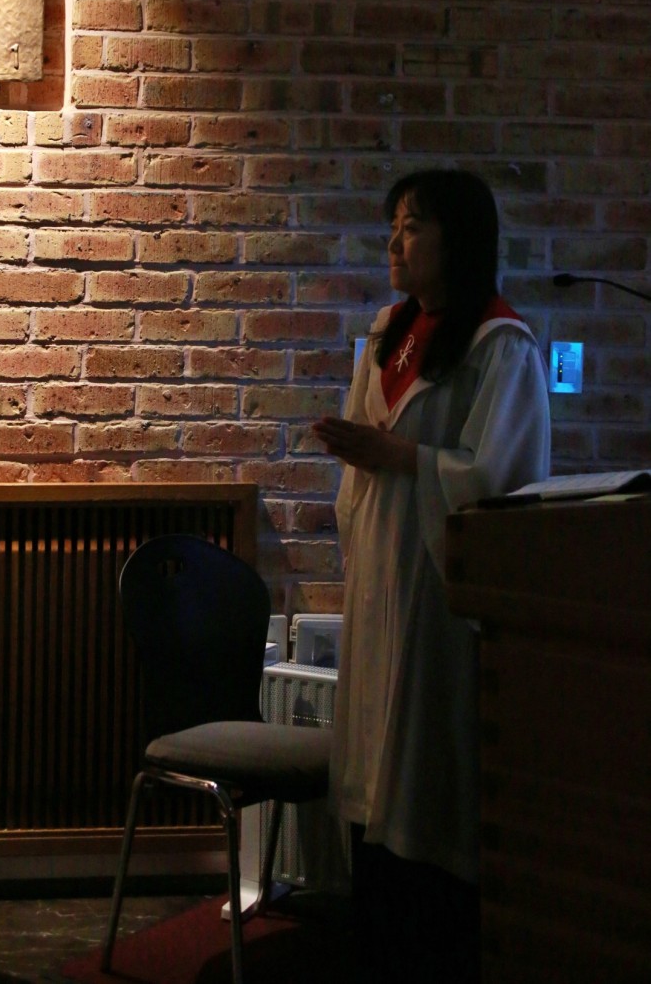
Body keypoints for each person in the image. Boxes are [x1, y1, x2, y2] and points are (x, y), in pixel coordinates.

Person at [314, 168, 551, 984]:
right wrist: (365, 455)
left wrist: (401, 456)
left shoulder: (498, 344)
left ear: (459, 238)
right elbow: (367, 456)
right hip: (381, 577)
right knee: (371, 772)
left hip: (436, 590)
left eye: (412, 226)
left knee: (423, 772)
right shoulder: (388, 330)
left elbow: (500, 476)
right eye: (393, 224)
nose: (393, 241)